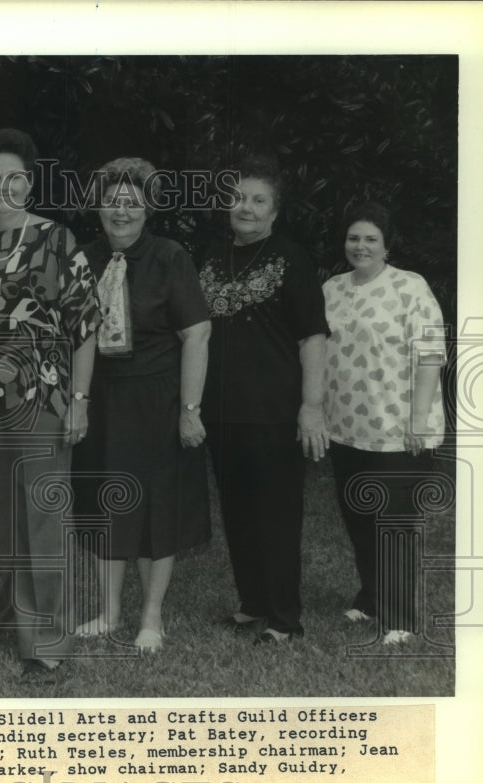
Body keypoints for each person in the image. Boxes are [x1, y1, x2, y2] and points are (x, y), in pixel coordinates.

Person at [0, 128, 101, 683]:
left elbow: (85, 327)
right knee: (4, 516)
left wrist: (79, 402)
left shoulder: (56, 241)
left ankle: (47, 645)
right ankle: (17, 616)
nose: (2, 187)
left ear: (29, 182)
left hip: (43, 400)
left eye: (14, 177)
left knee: (43, 518)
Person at [71, 158, 211, 652]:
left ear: (148, 208)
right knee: (105, 505)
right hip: (103, 399)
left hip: (158, 400)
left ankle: (151, 616)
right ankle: (108, 612)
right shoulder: (82, 258)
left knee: (157, 510)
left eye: (132, 202)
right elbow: (76, 334)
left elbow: (196, 334)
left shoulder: (171, 257)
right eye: (112, 201)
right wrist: (78, 401)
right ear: (99, 205)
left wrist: (190, 409)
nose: (121, 211)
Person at [198, 155, 329, 643]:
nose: (245, 208)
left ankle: (284, 620)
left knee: (275, 515)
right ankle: (252, 605)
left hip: (274, 413)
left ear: (275, 213)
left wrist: (310, 406)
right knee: (237, 511)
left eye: (258, 200)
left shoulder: (292, 259)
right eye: (238, 198)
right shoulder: (212, 258)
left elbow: (312, 337)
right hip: (223, 413)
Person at [323, 202, 446, 645]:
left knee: (393, 524)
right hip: (346, 427)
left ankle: (401, 618)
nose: (361, 246)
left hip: (399, 430)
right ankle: (372, 597)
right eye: (354, 238)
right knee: (358, 516)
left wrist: (417, 418)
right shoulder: (332, 289)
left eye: (370, 238)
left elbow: (429, 353)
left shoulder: (410, 288)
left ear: (386, 244)